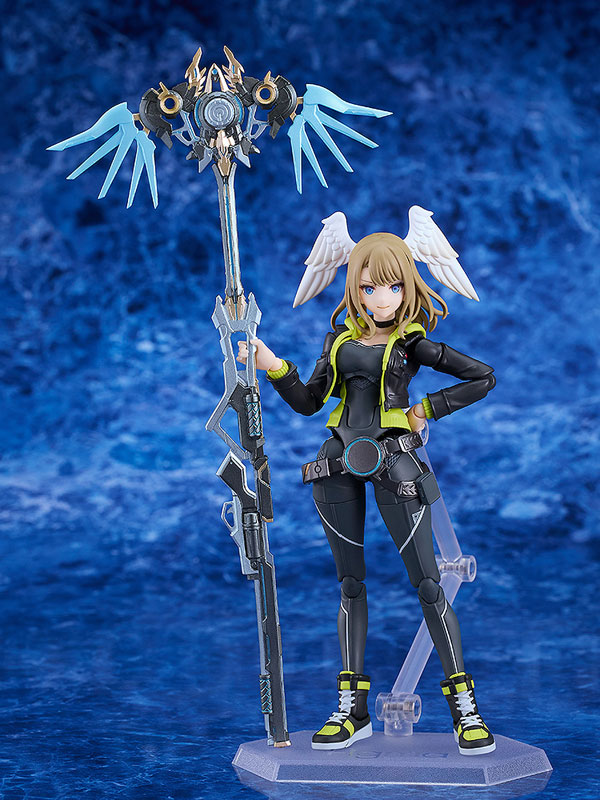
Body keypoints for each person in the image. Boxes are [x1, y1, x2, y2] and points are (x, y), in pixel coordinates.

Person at [238, 226, 496, 756]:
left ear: (408, 286)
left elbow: (482, 377)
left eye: (394, 287)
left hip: (395, 463)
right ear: (354, 286)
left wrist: (427, 408)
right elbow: (309, 402)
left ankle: (465, 710)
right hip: (336, 462)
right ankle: (353, 710)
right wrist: (272, 365)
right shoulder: (339, 341)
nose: (382, 299)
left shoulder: (412, 343)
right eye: (369, 287)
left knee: (429, 584)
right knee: (350, 584)